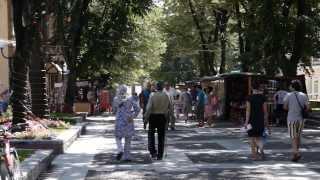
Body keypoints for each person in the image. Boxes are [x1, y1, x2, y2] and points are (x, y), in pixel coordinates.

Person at [145, 82, 172, 160]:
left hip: (153, 116)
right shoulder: (167, 95)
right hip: (162, 117)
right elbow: (170, 107)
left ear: (156, 87)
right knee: (161, 136)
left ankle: (153, 152)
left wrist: (146, 118)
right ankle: (160, 155)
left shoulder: (152, 95)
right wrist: (169, 118)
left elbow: (149, 108)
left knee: (151, 134)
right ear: (162, 87)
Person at [283, 80, 309, 162]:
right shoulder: (304, 95)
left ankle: (296, 153)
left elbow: (285, 107)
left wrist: (291, 109)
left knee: (293, 137)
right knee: (298, 137)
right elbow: (307, 107)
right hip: (301, 119)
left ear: (293, 86)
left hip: (291, 118)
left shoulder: (288, 95)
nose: (289, 87)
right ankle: (295, 155)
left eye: (290, 85)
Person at [113, 85, 140, 161]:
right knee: (128, 139)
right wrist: (133, 116)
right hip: (129, 120)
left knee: (118, 136)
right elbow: (137, 109)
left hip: (119, 120)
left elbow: (114, 110)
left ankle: (120, 149)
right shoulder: (130, 99)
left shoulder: (115, 99)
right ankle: (127, 156)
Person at [244, 83, 269, 160]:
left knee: (251, 138)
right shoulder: (263, 98)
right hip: (260, 120)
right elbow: (265, 111)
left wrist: (246, 121)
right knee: (258, 138)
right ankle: (261, 151)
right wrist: (266, 122)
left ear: (252, 88)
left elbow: (248, 111)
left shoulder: (249, 98)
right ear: (259, 88)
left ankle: (254, 155)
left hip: (251, 120)